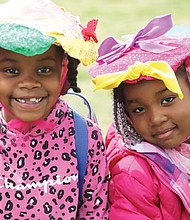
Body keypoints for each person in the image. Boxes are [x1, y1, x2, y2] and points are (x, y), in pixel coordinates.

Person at [0, 0, 109, 219]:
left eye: (44, 69)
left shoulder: (85, 138)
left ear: (63, 70)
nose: (29, 83)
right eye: (11, 70)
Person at [88, 14, 190, 219]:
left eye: (167, 100)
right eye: (138, 110)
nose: (156, 118)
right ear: (126, 116)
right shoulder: (133, 171)